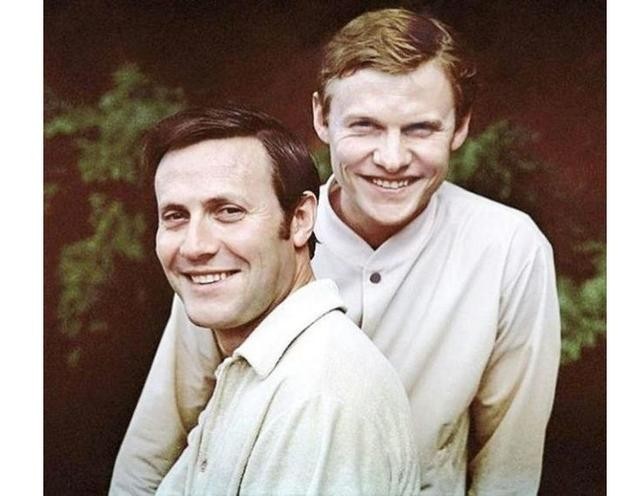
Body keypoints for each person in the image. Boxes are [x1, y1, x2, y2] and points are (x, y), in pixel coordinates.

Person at [111, 8, 561, 496]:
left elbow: (508, 471)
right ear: (321, 118)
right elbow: (153, 450)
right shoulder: (245, 241)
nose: (391, 158)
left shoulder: (511, 250)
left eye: (420, 129)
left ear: (460, 127)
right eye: (364, 126)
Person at [113, 105, 420, 496]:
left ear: (300, 219)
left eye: (228, 211)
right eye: (175, 216)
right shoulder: (261, 369)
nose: (194, 246)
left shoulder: (317, 399)